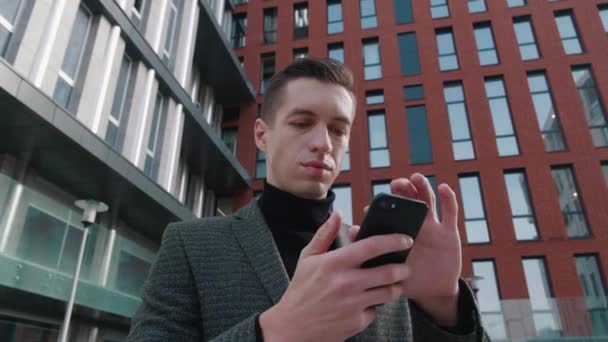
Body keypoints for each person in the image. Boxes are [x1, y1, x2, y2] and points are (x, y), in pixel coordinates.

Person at [127, 58, 490, 341]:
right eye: (302, 123)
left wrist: (444, 305)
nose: (323, 142)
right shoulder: (190, 245)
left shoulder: (386, 257)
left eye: (337, 129)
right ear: (261, 135)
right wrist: (274, 332)